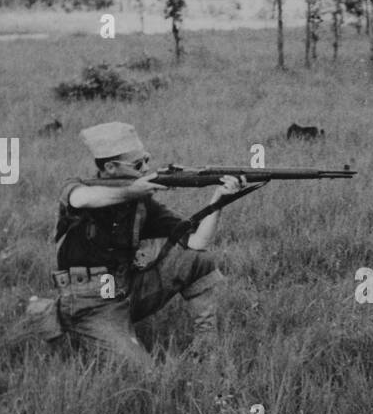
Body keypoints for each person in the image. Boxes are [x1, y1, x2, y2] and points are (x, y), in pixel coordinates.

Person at [25, 121, 247, 368]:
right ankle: (60, 319)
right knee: (146, 376)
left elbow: (197, 242)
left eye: (147, 160)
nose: (147, 169)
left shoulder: (143, 205)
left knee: (197, 260)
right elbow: (81, 200)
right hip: (90, 300)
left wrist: (219, 200)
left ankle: (207, 350)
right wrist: (134, 190)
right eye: (138, 165)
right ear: (110, 167)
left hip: (127, 289)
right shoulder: (79, 188)